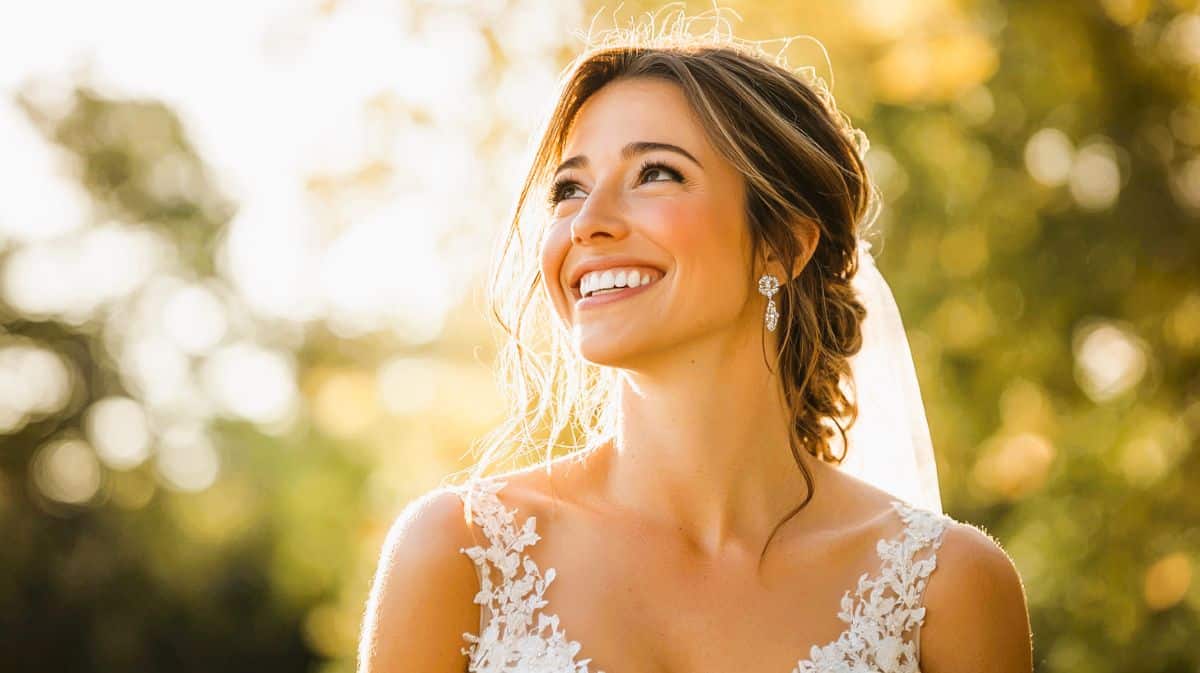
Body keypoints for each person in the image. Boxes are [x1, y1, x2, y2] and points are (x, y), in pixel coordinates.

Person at [358, 15, 1033, 673]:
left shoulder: (946, 586)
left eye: (656, 173)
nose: (588, 223)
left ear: (782, 243)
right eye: (569, 188)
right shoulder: (459, 554)